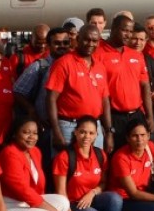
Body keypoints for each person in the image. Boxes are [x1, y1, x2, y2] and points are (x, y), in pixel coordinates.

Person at [0, 118, 71, 211]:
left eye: (35, 133)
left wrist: (46, 207)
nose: (31, 137)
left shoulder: (35, 151)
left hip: (26, 202)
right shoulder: (9, 153)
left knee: (62, 202)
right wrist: (46, 207)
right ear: (15, 134)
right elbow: (19, 188)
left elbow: (38, 186)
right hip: (7, 205)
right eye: (26, 132)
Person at [53, 116, 122, 211]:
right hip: (73, 204)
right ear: (76, 132)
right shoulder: (64, 157)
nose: (87, 136)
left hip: (91, 198)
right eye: (83, 132)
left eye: (91, 133)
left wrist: (92, 192)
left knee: (115, 199)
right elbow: (60, 192)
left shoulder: (100, 154)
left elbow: (103, 183)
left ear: (97, 135)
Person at [45, 25, 112, 153]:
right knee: (66, 168)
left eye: (94, 41)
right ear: (78, 39)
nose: (90, 44)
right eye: (86, 40)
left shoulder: (99, 66)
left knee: (94, 168)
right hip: (69, 126)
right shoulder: (63, 63)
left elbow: (105, 101)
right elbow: (51, 99)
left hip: (94, 127)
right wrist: (56, 131)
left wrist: (108, 132)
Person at [100, 14, 154, 150]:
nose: (128, 35)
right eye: (124, 30)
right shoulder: (98, 53)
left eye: (130, 31)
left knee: (140, 156)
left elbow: (145, 86)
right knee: (114, 157)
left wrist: (150, 116)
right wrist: (107, 129)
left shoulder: (136, 55)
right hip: (113, 116)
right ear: (113, 29)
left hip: (136, 115)